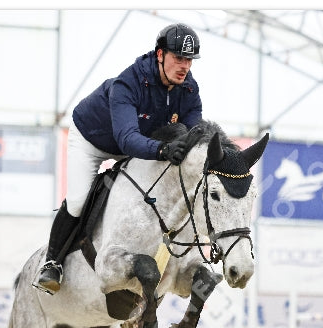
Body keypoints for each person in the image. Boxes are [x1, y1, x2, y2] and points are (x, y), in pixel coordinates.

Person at [33, 23, 203, 294]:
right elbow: (127, 139)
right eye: (178, 58)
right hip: (92, 140)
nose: (184, 66)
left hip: (138, 143)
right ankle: (52, 263)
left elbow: (194, 133)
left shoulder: (189, 90)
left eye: (189, 60)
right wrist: (162, 151)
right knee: (78, 200)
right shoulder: (129, 83)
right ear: (160, 55)